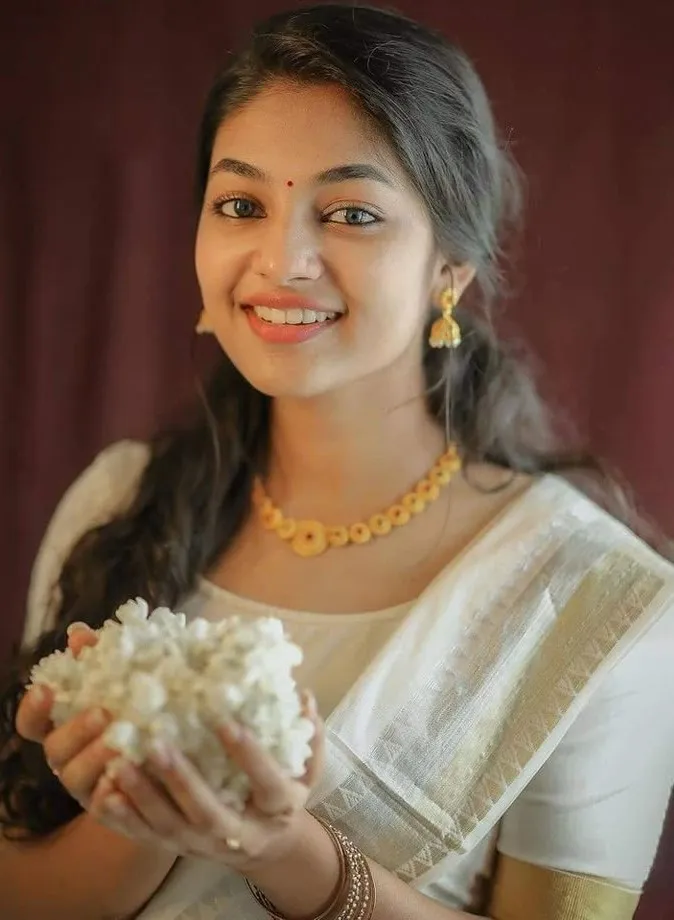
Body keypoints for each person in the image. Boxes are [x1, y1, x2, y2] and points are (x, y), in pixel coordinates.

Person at [1, 4, 673, 919]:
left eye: (351, 213)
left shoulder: (594, 603)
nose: (281, 261)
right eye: (241, 206)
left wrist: (287, 853)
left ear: (450, 271)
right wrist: (150, 800)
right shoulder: (120, 501)